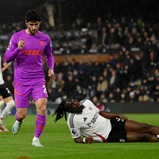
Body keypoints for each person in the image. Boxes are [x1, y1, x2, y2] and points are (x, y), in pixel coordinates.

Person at [4, 9, 55, 147]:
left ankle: (36, 140)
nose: (34, 27)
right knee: (21, 114)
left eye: (36, 24)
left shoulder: (45, 38)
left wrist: (51, 68)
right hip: (21, 81)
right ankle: (19, 120)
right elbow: (7, 58)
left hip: (38, 79)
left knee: (42, 108)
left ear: (40, 23)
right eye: (31, 24)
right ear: (26, 23)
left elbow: (49, 55)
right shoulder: (16, 38)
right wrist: (18, 49)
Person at [53, 99, 159, 143]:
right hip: (108, 136)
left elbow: (100, 113)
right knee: (142, 136)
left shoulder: (87, 102)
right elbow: (76, 138)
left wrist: (117, 115)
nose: (75, 102)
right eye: (71, 105)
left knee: (144, 127)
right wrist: (84, 140)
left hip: (112, 122)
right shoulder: (72, 120)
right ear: (70, 110)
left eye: (73, 100)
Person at [0, 56, 15, 132]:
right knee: (1, 103)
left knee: (11, 104)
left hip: (1, 83)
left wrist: (4, 68)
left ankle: (0, 122)